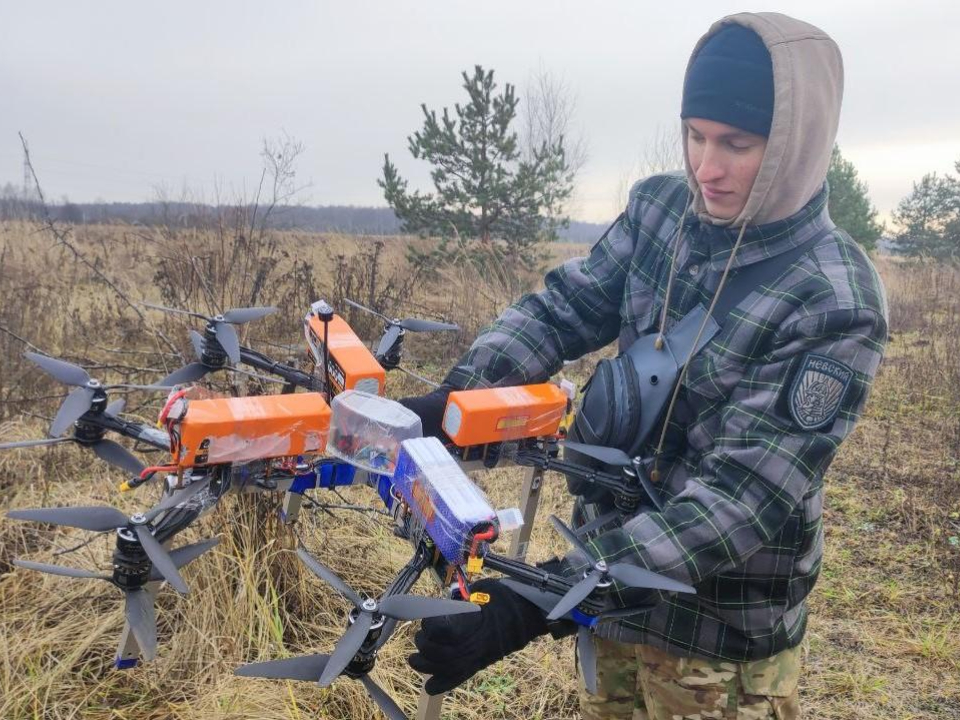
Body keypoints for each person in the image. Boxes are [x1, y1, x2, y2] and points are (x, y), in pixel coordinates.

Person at [401, 11, 888, 719]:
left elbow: (738, 501)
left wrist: (537, 598)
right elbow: (562, 309)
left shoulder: (834, 300)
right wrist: (456, 404)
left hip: (716, 640)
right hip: (611, 605)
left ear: (797, 143)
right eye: (695, 134)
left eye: (737, 144)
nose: (707, 167)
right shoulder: (662, 212)